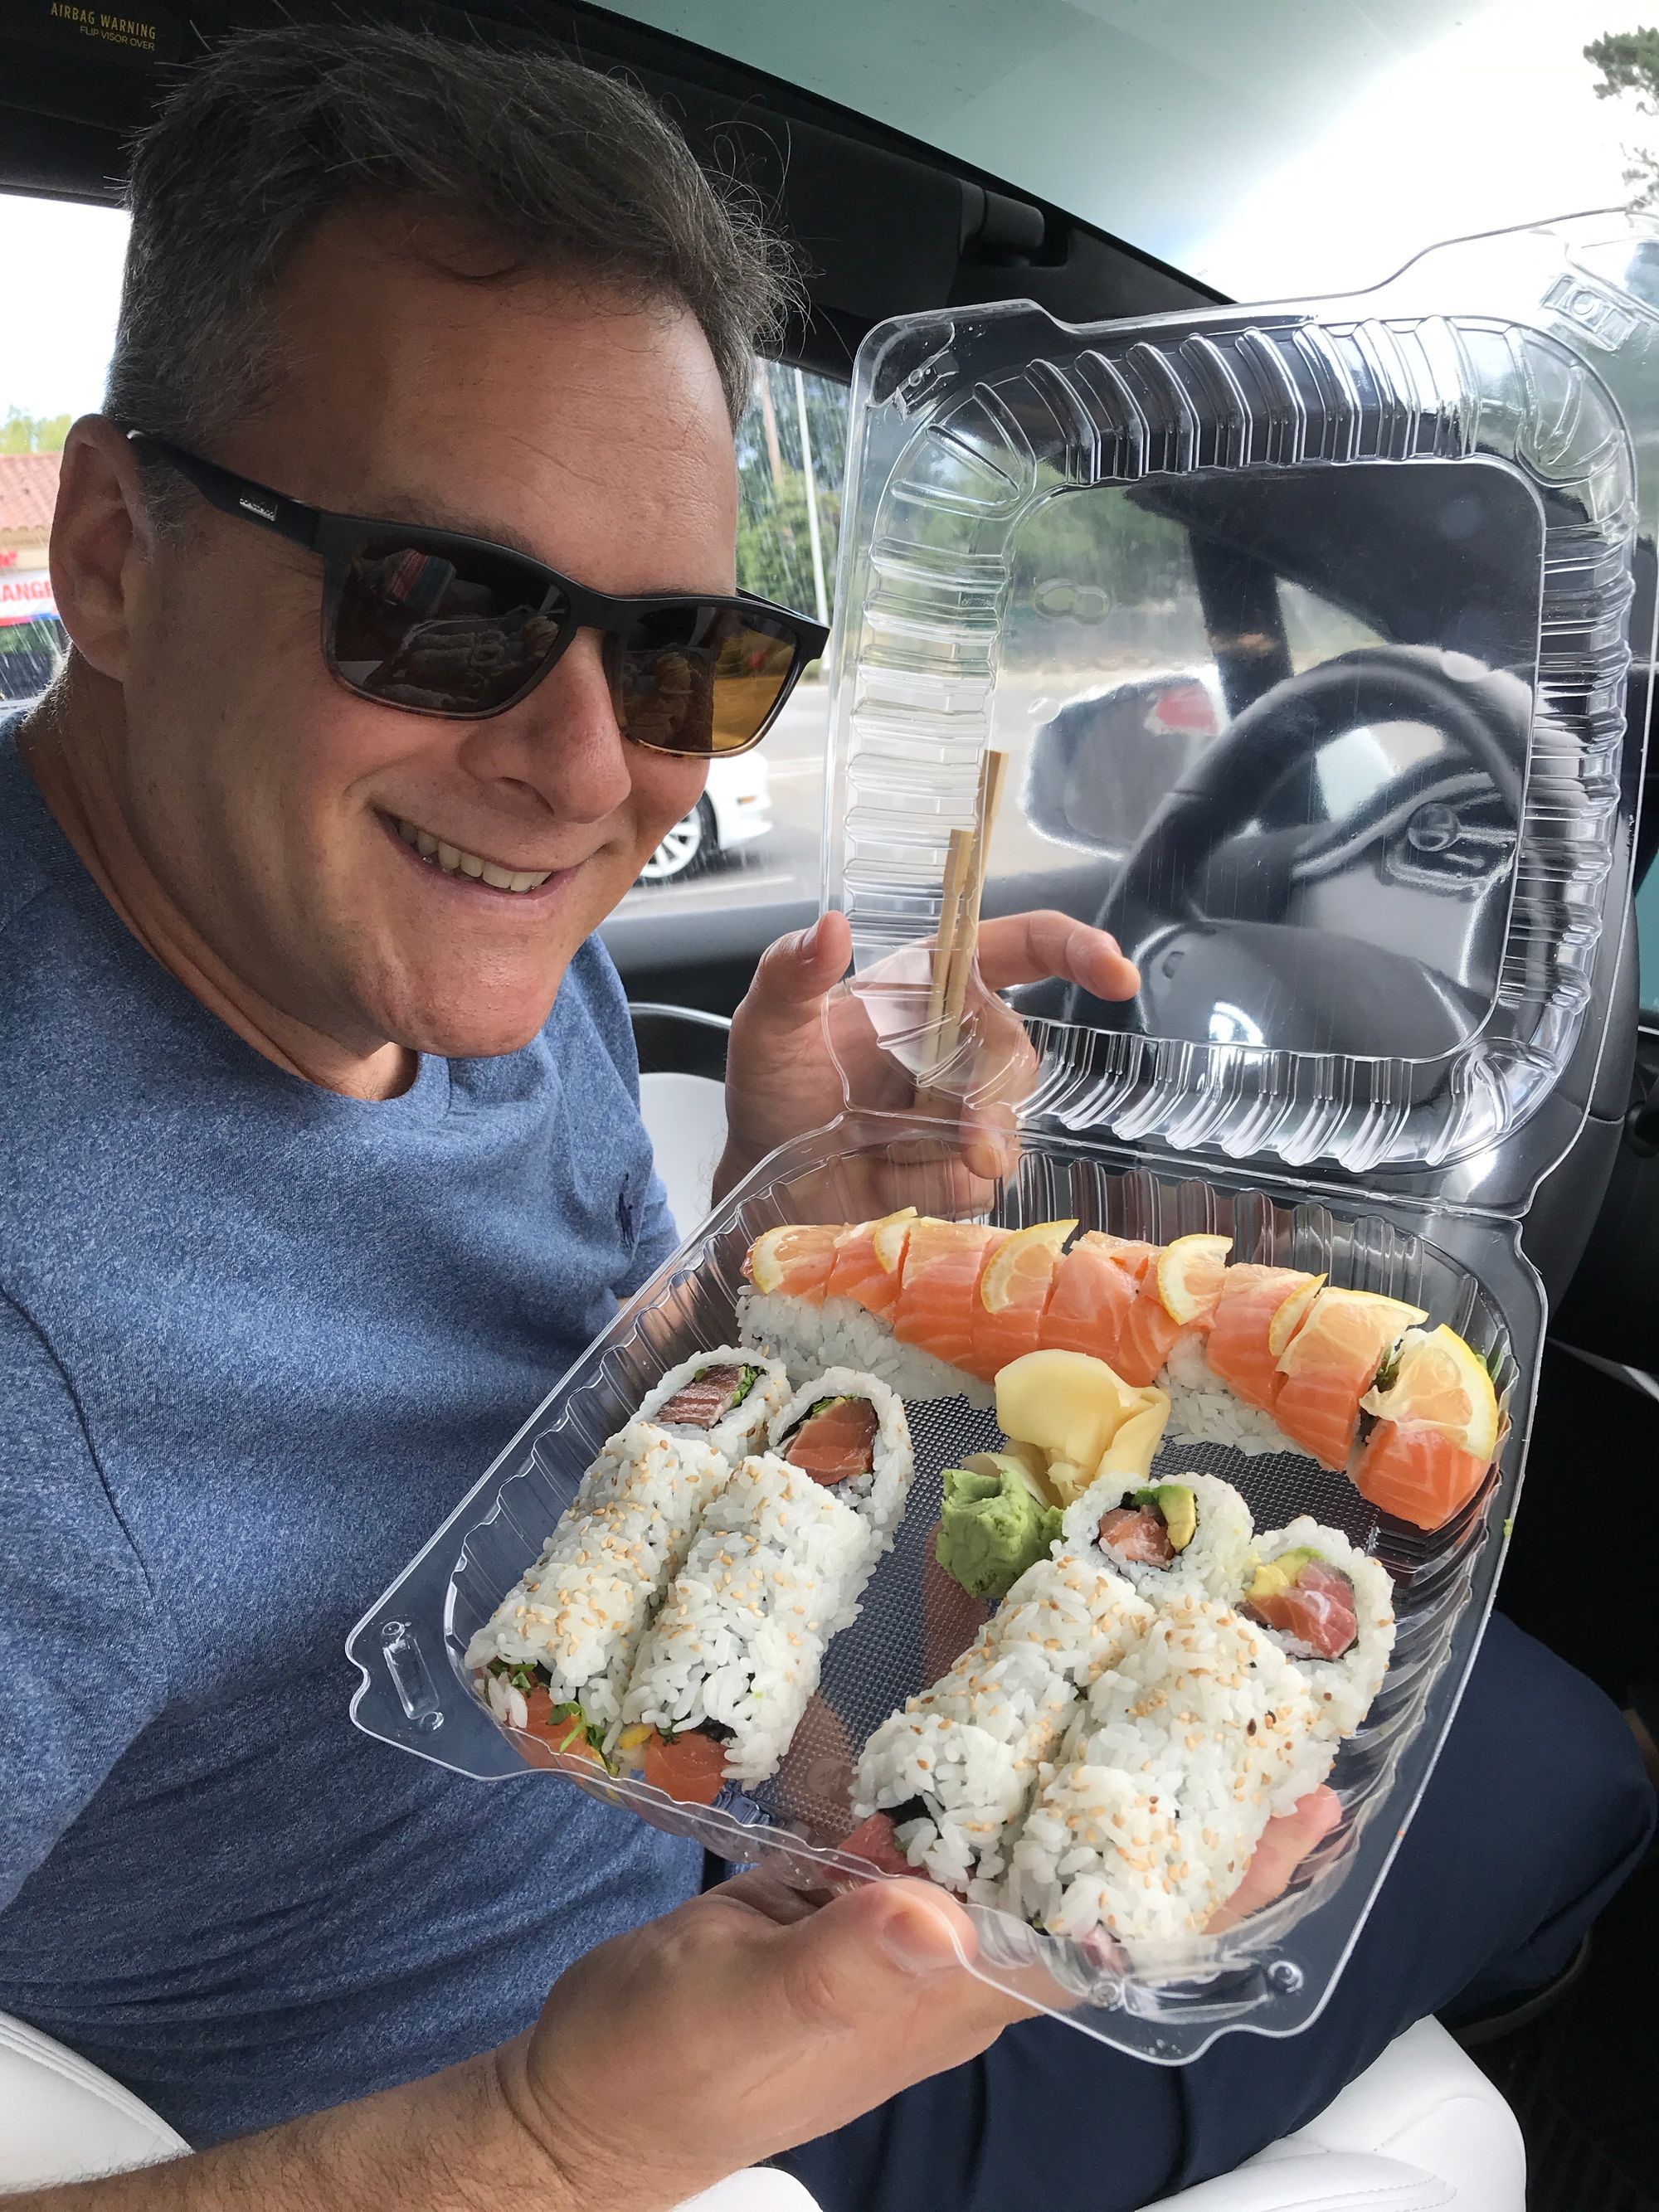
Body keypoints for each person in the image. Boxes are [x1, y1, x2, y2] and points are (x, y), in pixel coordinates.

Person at [0, 24, 1650, 2212]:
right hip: (580, 2110)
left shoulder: (401, 920)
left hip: (709, 1790)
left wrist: (781, 1262)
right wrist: (566, 2134)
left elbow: (522, 1444)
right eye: (443, 605)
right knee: (1567, 1766)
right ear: (116, 554)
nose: (589, 771)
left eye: (683, 653)